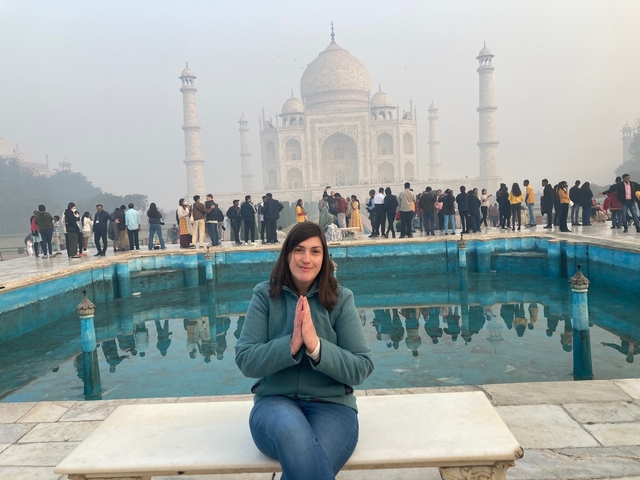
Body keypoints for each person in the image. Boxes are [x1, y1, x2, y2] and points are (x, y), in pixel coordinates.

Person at [235, 222, 374, 480]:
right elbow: (246, 359)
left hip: (333, 407)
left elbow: (361, 367)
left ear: (325, 257)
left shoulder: (340, 299)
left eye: (315, 251)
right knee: (294, 435)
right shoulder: (265, 296)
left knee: (307, 468)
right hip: (276, 404)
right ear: (287, 254)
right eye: (299, 250)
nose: (306, 259)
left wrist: (316, 347)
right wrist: (290, 344)